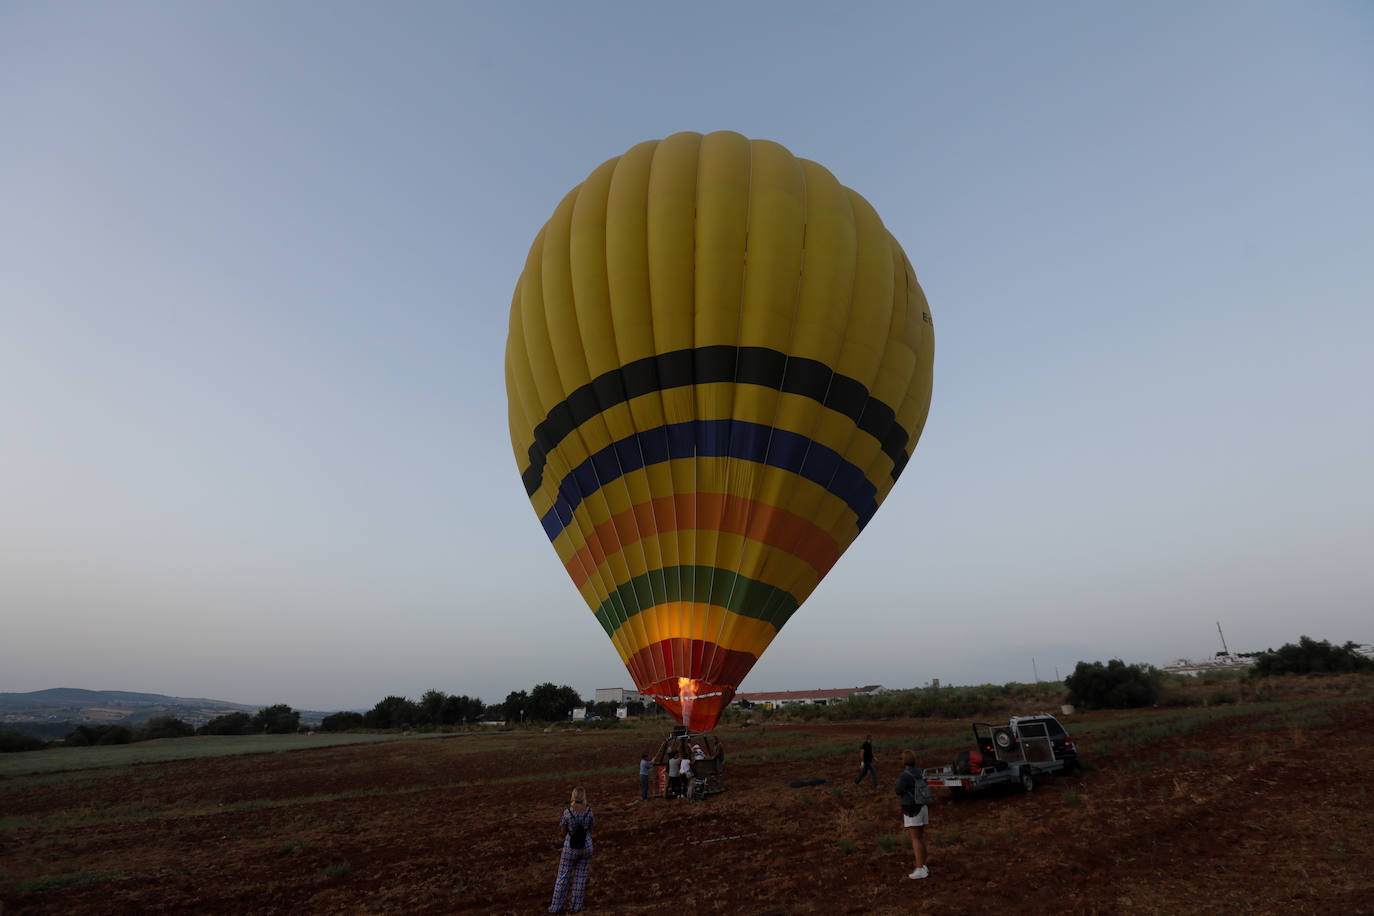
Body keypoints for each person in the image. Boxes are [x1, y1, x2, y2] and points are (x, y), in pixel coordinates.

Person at [549, 786, 595, 913]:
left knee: (563, 877)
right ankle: (575, 907)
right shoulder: (589, 811)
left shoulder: (567, 813)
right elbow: (590, 828)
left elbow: (563, 832)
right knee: (580, 878)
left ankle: (556, 907)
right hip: (586, 846)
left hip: (570, 848)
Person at [894, 749, 931, 879]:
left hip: (911, 809)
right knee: (920, 838)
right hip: (922, 806)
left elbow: (898, 790)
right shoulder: (918, 772)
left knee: (915, 839)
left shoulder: (905, 775)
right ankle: (923, 865)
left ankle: (920, 868)